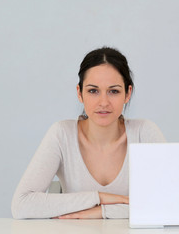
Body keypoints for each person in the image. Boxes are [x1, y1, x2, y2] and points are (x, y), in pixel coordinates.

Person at [11, 47, 166, 219]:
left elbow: (172, 203)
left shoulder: (144, 133)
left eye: (113, 91)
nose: (103, 102)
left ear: (128, 93)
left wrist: (102, 211)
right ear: (79, 93)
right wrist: (98, 198)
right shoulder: (61, 134)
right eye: (93, 91)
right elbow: (22, 205)